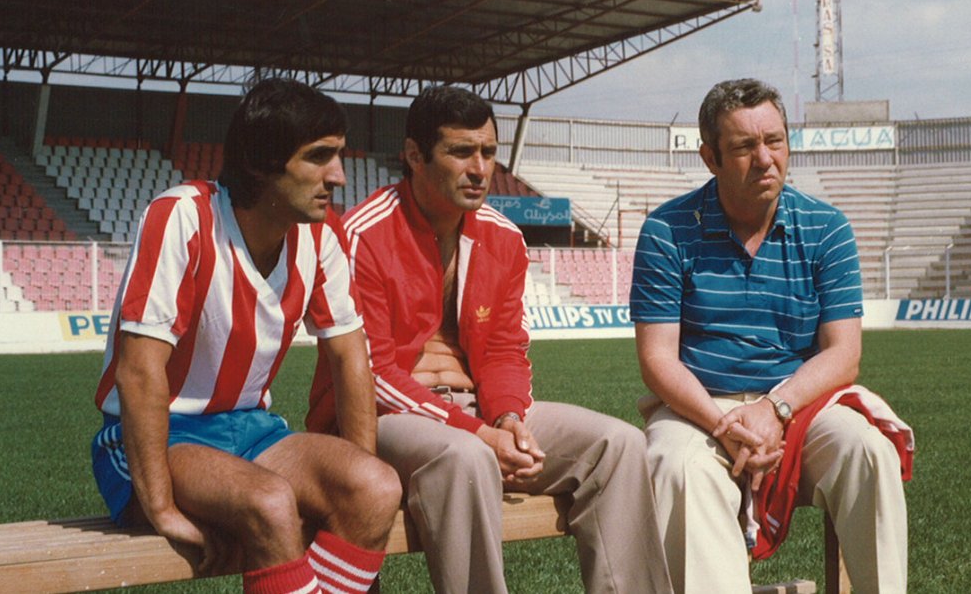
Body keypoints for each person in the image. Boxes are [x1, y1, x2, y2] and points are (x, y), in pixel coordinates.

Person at [307, 85, 672, 594]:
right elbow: (369, 373)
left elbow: (503, 349)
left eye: (489, 152)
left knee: (620, 445)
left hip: (478, 415)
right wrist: (478, 433)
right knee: (466, 457)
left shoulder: (503, 236)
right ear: (414, 155)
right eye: (461, 152)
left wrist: (508, 419)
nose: (480, 169)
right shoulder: (363, 233)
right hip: (383, 423)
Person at [90, 78, 402, 594]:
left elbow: (350, 358)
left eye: (339, 156)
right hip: (160, 436)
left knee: (375, 485)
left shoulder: (321, 235)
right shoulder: (184, 217)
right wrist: (161, 506)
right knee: (271, 503)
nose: (339, 176)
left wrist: (356, 466)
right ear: (261, 162)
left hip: (252, 431)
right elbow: (138, 368)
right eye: (319, 157)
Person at [630, 78, 912, 594]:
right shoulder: (666, 230)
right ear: (710, 157)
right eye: (744, 146)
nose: (765, 159)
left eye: (775, 141)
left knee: (869, 451)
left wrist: (775, 410)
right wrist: (724, 423)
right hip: (700, 407)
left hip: (798, 404)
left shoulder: (826, 227)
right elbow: (657, 361)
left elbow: (844, 354)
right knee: (674, 466)